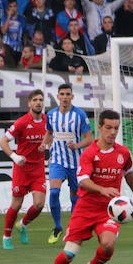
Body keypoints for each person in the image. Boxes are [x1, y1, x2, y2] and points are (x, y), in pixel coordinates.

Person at [42, 109, 133, 264]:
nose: (112, 132)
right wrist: (102, 189)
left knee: (108, 244)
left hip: (109, 211)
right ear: (100, 127)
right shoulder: (89, 153)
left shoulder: (123, 152)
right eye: (108, 127)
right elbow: (82, 180)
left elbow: (128, 173)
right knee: (69, 253)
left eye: (116, 128)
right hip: (85, 208)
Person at [42, 84, 93, 243]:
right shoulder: (51, 115)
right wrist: (44, 144)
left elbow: (89, 138)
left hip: (76, 162)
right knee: (54, 192)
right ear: (58, 96)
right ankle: (57, 227)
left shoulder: (79, 115)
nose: (65, 97)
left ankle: (72, 228)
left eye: (68, 94)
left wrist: (77, 146)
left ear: (72, 96)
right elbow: (49, 133)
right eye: (62, 94)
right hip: (57, 160)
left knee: (75, 198)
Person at [0, 89, 47, 249]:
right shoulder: (21, 122)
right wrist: (15, 156)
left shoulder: (48, 121)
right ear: (29, 103)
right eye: (35, 100)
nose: (38, 102)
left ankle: (23, 224)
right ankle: (7, 236)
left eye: (40, 99)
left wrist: (47, 145)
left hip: (38, 169)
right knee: (16, 204)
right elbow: (3, 141)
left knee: (39, 204)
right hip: (22, 169)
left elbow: (51, 136)